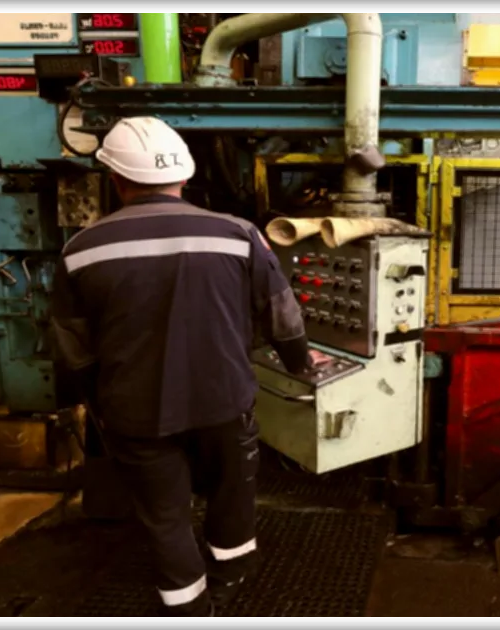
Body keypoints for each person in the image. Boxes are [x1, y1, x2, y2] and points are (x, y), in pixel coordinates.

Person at [50, 116, 326, 617]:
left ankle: (187, 603)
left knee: (163, 512)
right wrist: (300, 363)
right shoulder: (238, 233)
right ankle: (232, 574)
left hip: (134, 410)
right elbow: (282, 313)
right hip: (223, 400)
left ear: (115, 179)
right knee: (232, 493)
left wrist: (96, 400)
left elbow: (73, 346)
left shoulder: (80, 250)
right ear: (184, 175)